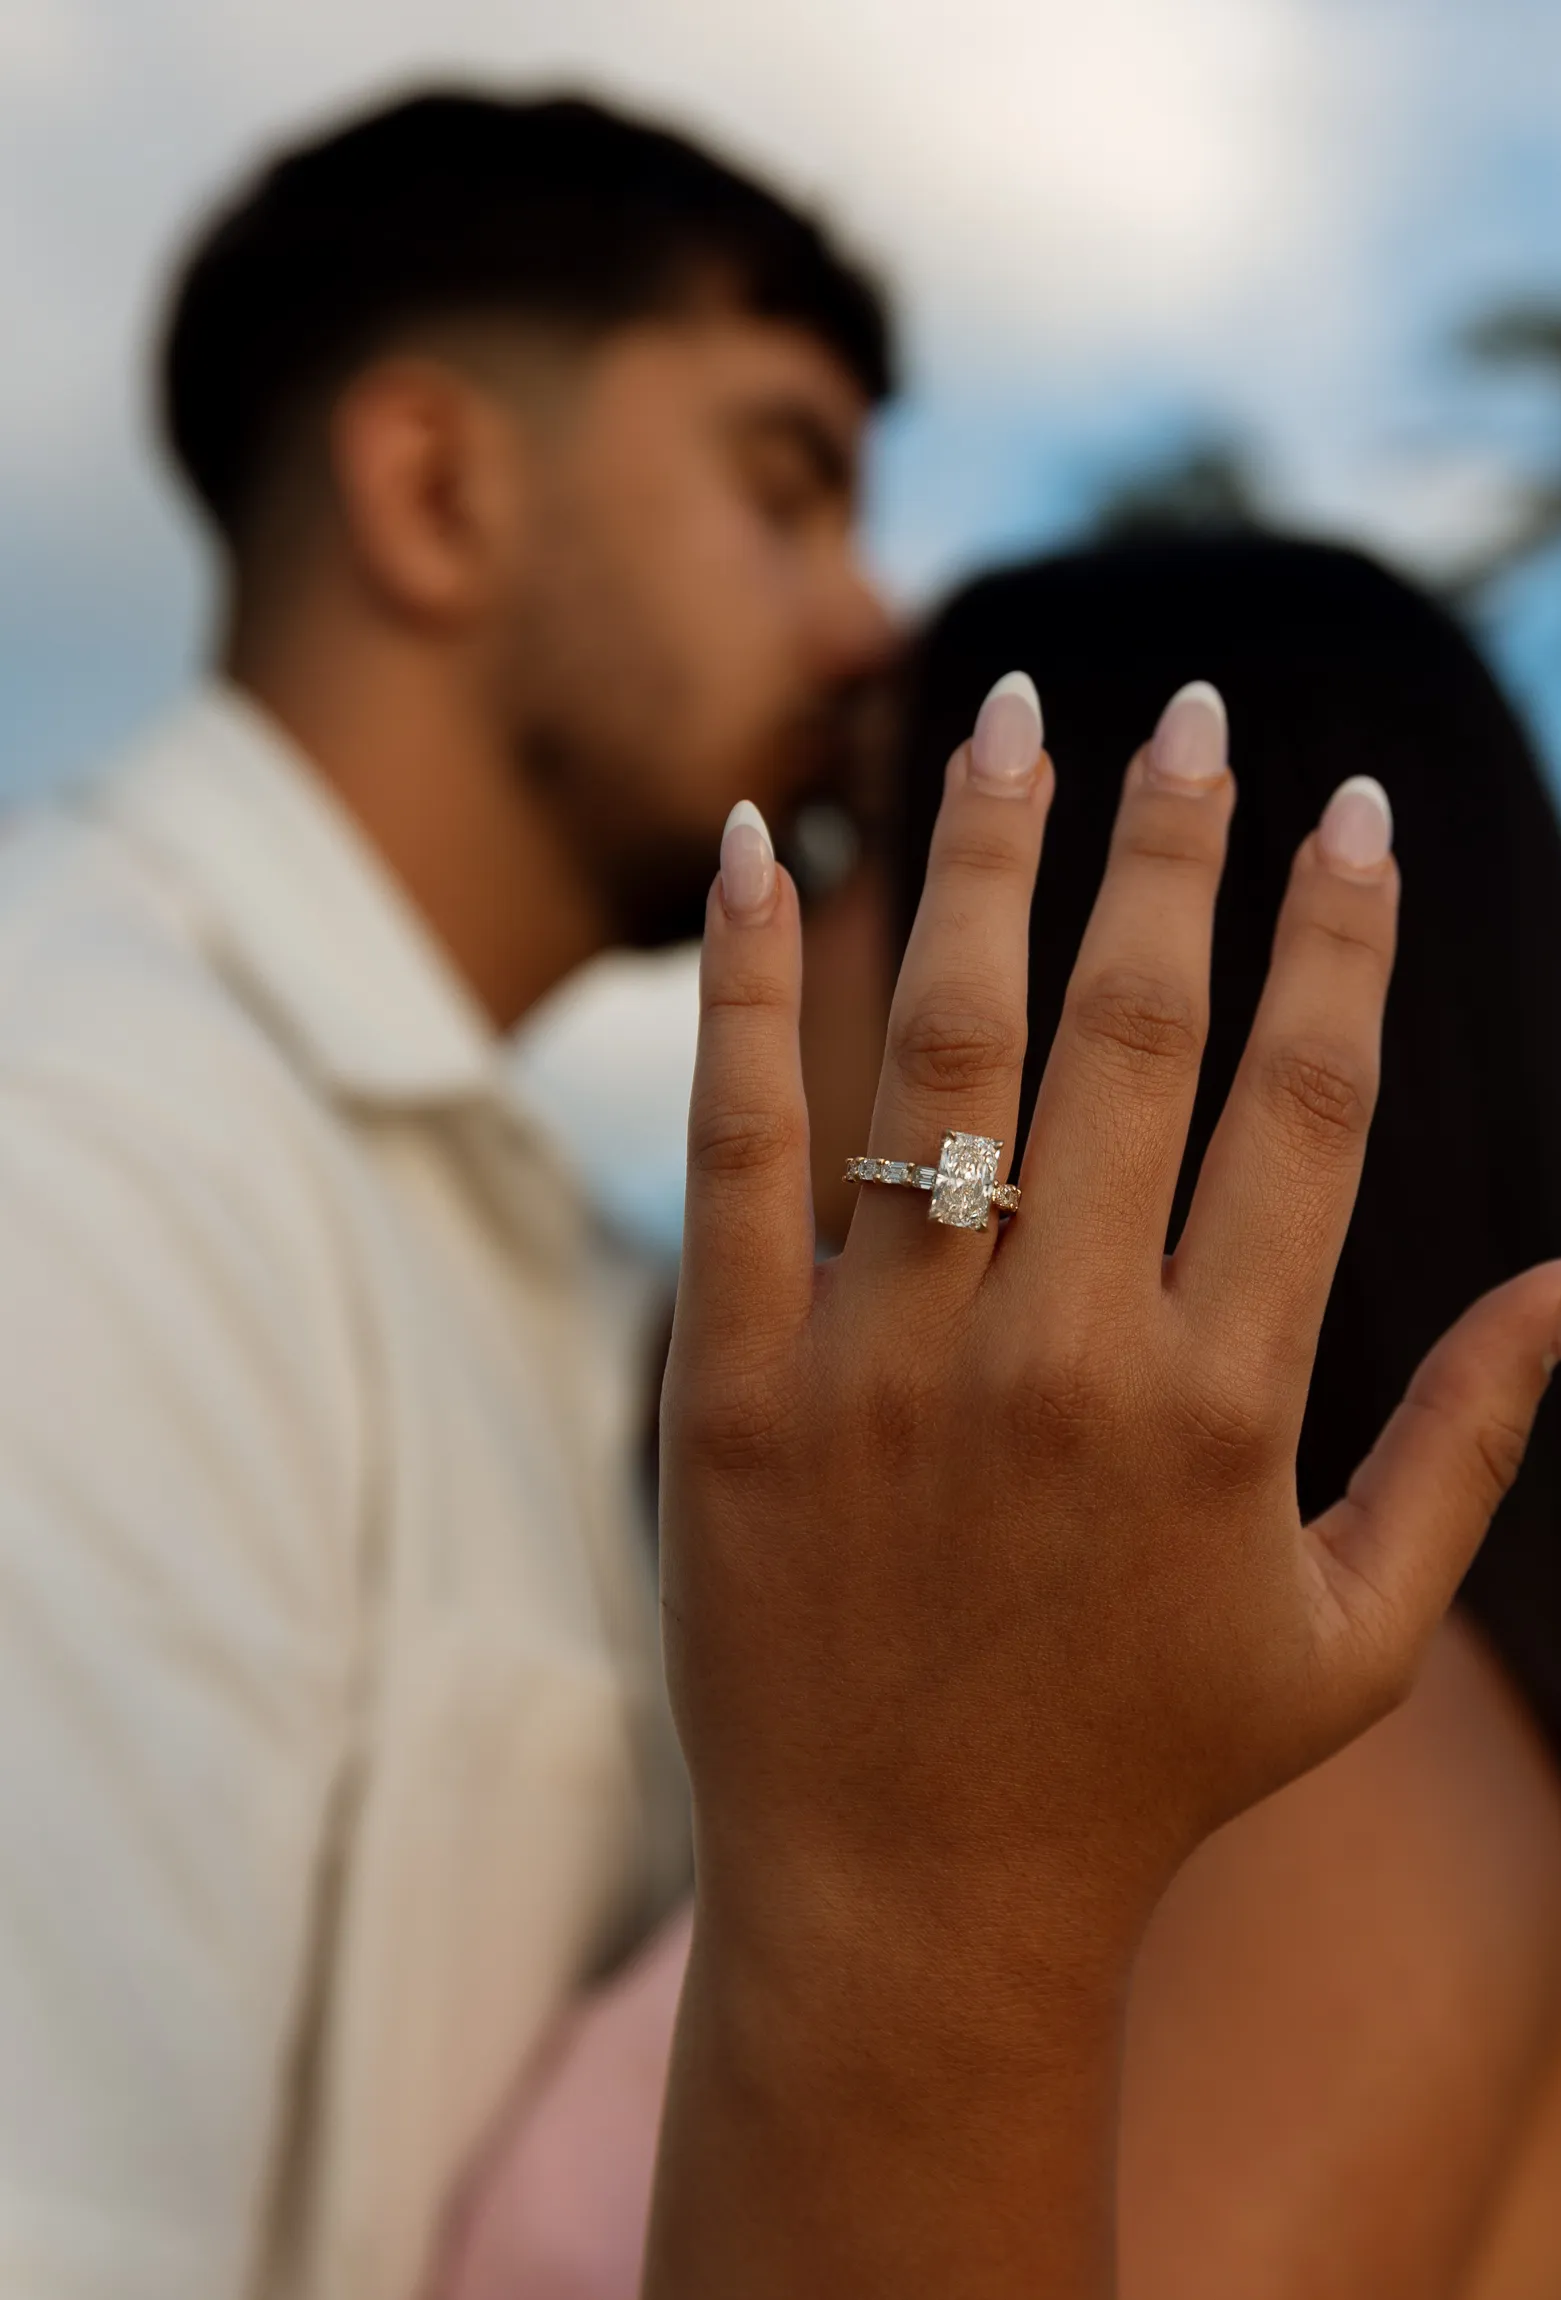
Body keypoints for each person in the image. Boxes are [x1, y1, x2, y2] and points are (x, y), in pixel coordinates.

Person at [445, 542, 1561, 2299]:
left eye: (843, 845)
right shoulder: (1240, 1739)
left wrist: (924, 1874)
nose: (786, 922)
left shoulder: (1325, 1794)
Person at [0, 87, 892, 2300]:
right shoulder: (81, 1139)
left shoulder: (532, 1248)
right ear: (431, 489)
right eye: (782, 485)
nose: (869, 619)